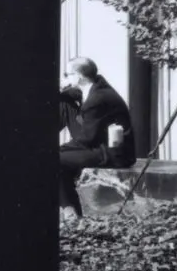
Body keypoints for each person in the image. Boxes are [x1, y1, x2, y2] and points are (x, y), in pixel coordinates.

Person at [60, 56, 139, 210]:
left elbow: (87, 140)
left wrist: (62, 148)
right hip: (99, 142)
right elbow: (72, 96)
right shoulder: (95, 86)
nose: (64, 78)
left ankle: (71, 212)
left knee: (57, 160)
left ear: (79, 76)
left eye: (67, 74)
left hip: (113, 153)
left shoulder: (97, 99)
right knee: (63, 101)